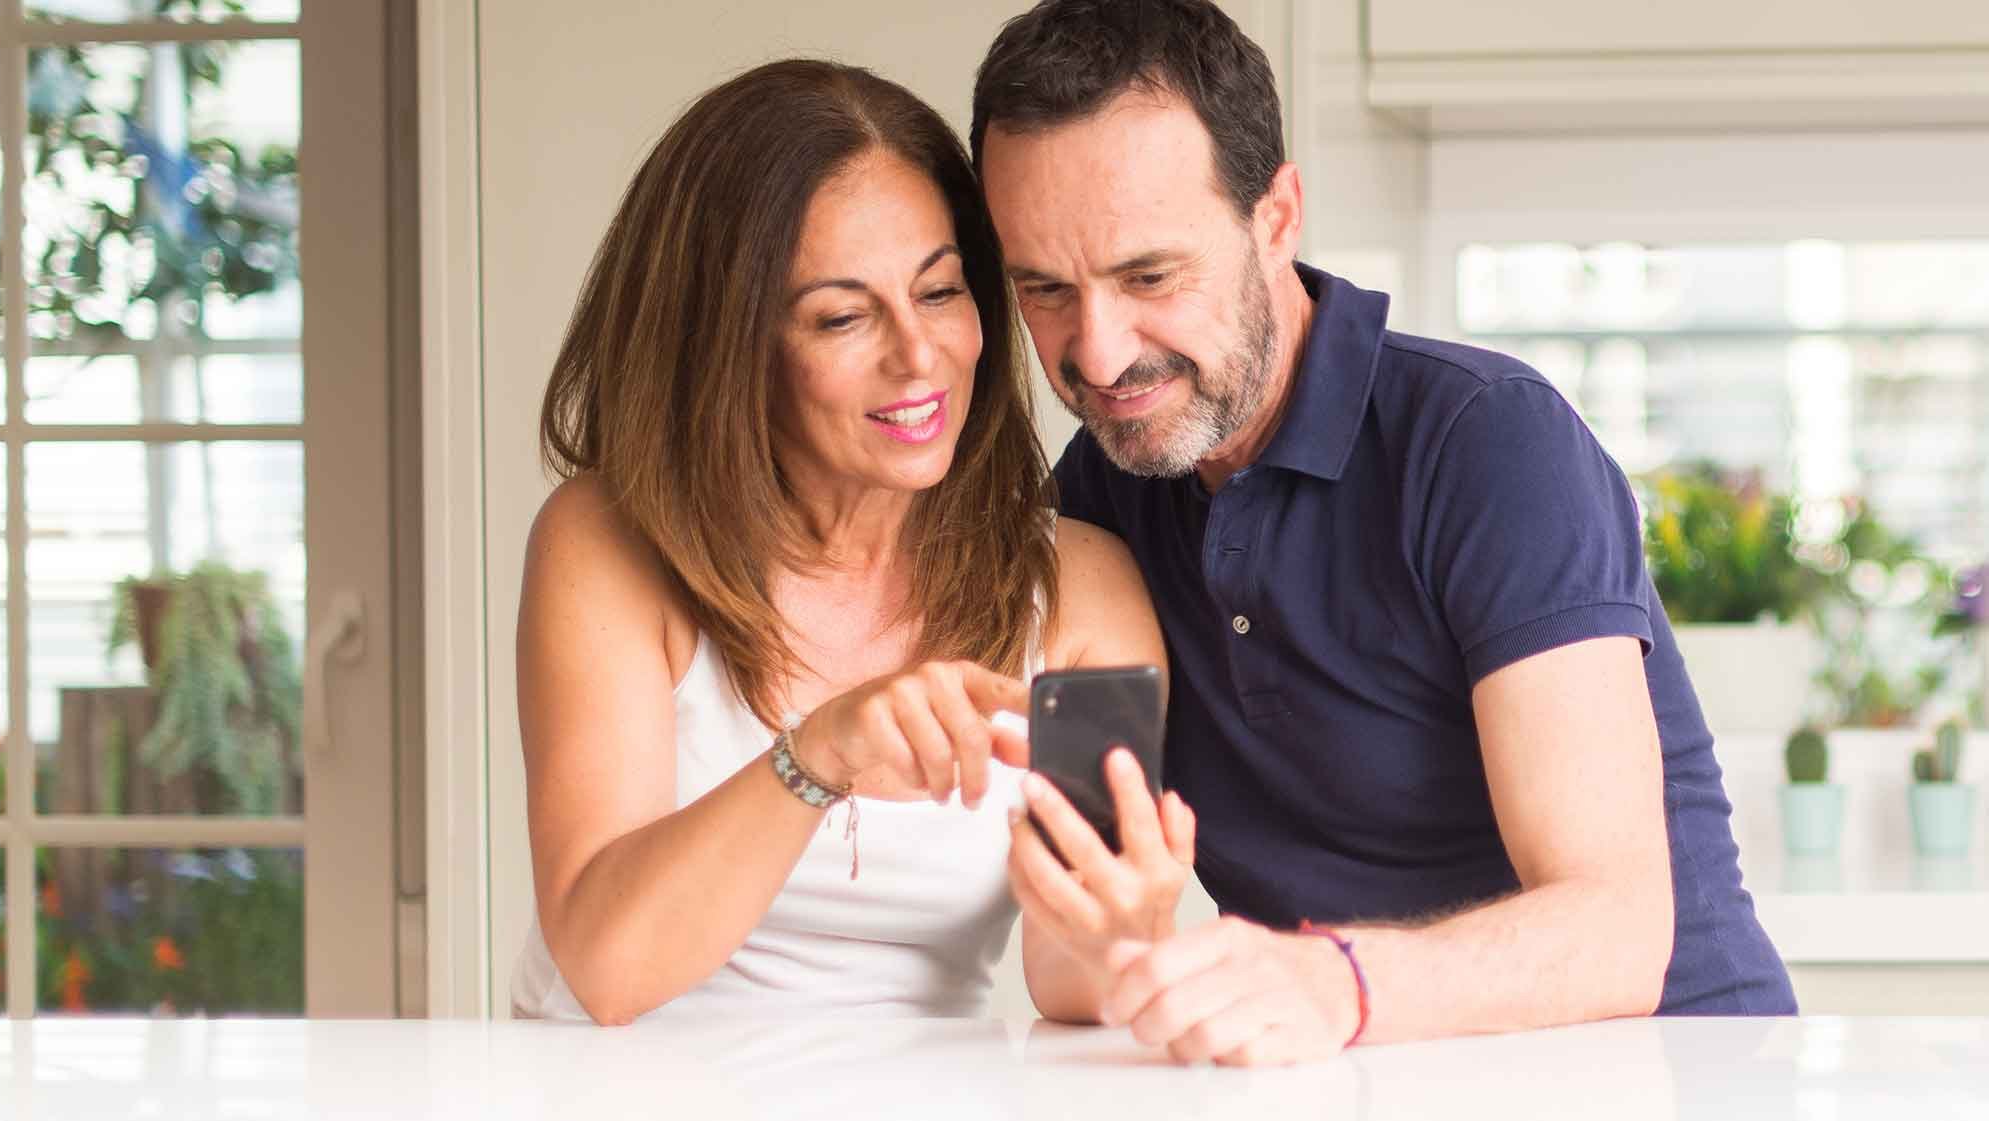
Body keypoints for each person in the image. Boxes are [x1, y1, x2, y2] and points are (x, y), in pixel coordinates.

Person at [970, 0, 1798, 1065]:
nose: (1094, 354)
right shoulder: (1099, 491)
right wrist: (1111, 914)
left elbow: (1616, 930)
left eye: (1148, 276)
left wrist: (1327, 979)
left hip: (1674, 1071)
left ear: (1276, 219)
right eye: (1044, 288)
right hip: (1378, 1077)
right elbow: (1078, 960)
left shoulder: (1484, 441)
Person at [510, 58, 1187, 1024]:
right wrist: (817, 755)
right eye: (840, 315)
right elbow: (605, 967)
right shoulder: (608, 543)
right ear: (725, 348)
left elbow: (1072, 984)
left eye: (941, 292)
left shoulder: (1082, 594)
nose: (918, 357)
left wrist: (1129, 922)